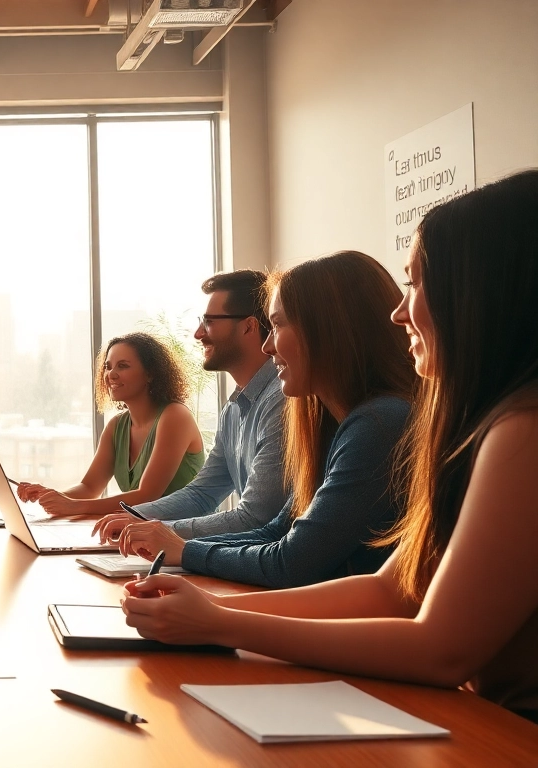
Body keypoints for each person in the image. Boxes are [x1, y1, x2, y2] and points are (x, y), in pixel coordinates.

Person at [121, 170, 538, 723]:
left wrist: (220, 621)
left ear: (479, 292)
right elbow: (393, 591)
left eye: (415, 285)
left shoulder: (519, 431)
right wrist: (212, 609)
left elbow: (442, 649)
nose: (399, 311)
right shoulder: (483, 425)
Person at [114, 251, 415, 588]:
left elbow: (291, 560)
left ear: (327, 329)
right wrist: (178, 546)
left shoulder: (379, 424)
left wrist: (184, 551)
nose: (269, 347)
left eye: (278, 326)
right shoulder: (329, 424)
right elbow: (276, 530)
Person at [93, 271, 288, 542]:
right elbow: (202, 493)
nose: (198, 334)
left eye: (209, 322)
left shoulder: (282, 402)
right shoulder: (233, 409)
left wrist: (157, 531)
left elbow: (255, 517)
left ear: (249, 327)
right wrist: (135, 518)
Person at [16, 332, 205, 517]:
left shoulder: (175, 416)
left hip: (187, 539)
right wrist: (49, 495)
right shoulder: (117, 426)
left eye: (122, 366)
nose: (111, 374)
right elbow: (89, 488)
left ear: (150, 374)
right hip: (143, 534)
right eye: (108, 367)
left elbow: (147, 496)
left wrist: (74, 507)